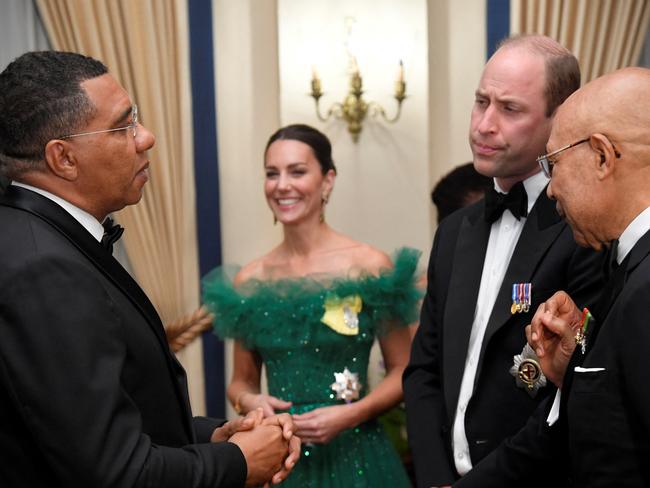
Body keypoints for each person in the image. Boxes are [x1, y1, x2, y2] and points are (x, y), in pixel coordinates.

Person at [0, 51, 299, 487]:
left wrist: (212, 436)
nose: (147, 137)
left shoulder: (46, 236)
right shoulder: (43, 268)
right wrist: (237, 463)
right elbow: (115, 472)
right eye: (124, 126)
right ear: (63, 158)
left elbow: (89, 423)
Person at [403, 34, 606, 488]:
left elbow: (573, 390)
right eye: (480, 102)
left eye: (510, 109)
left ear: (560, 117)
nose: (483, 125)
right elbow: (423, 372)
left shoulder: (583, 230)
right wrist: (436, 476)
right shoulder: (455, 231)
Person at [455, 66, 650, 488]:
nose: (551, 189)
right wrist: (568, 369)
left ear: (601, 156)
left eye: (554, 163)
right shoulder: (627, 265)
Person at [202, 123, 422, 487]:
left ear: (328, 180)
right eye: (272, 174)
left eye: (297, 171)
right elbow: (240, 381)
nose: (282, 185)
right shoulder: (250, 281)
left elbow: (404, 369)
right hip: (279, 456)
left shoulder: (369, 267)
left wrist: (351, 414)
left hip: (357, 453)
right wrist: (251, 400)